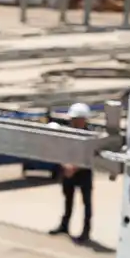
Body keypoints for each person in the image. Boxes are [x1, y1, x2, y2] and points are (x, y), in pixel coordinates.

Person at [50, 103, 96, 242]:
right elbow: (61, 150)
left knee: (86, 202)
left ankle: (86, 231)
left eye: (76, 119)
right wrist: (65, 166)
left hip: (83, 172)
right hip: (68, 170)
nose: (73, 122)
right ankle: (64, 225)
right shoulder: (68, 132)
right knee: (68, 199)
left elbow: (89, 156)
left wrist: (74, 168)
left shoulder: (90, 135)